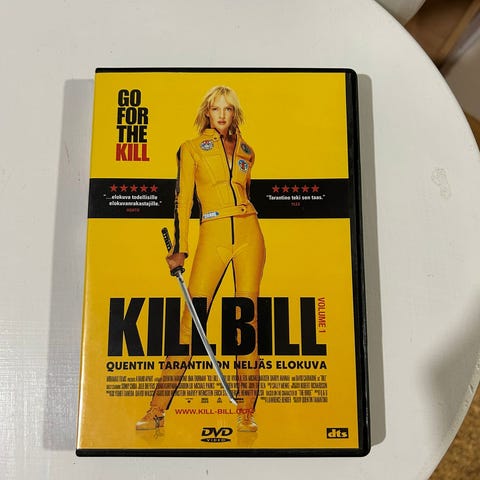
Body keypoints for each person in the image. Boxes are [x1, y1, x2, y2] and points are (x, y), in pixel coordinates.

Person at [136, 86, 266, 432]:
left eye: (228, 109)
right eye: (216, 109)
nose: (222, 115)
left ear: (234, 113)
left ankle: (246, 410)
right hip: (213, 234)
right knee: (189, 323)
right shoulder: (191, 148)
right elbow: (183, 200)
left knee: (247, 324)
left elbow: (246, 193)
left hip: (250, 234)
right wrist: (179, 247)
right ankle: (156, 409)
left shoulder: (247, 152)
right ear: (207, 112)